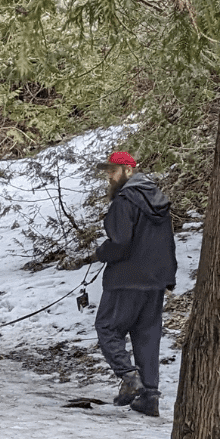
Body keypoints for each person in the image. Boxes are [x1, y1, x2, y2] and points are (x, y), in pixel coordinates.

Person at [85, 151, 176, 417]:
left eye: (113, 171)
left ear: (128, 171)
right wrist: (168, 276)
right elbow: (167, 242)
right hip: (155, 280)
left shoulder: (125, 200)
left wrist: (100, 253)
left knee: (107, 327)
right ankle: (149, 398)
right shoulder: (158, 199)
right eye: (108, 172)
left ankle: (128, 376)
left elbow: (121, 243)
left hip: (127, 279)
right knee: (147, 336)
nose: (110, 177)